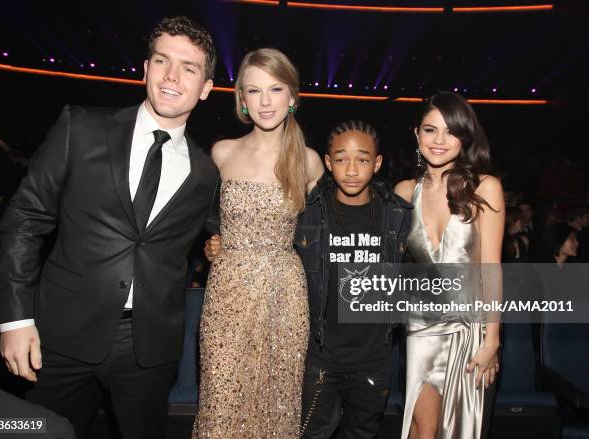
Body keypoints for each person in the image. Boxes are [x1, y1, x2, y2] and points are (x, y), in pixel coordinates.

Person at [0, 16, 219, 439]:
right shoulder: (80, 128)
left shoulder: (207, 172)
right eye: (162, 61)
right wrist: (14, 320)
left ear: (205, 87)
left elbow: (226, 234)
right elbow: (24, 220)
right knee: (33, 433)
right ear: (146, 68)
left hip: (149, 350)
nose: (172, 76)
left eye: (189, 68)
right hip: (58, 338)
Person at [191, 48, 323, 438]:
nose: (265, 102)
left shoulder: (310, 162)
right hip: (228, 289)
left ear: (293, 97)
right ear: (242, 100)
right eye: (254, 91)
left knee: (277, 398)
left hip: (285, 292)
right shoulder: (221, 153)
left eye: (275, 89)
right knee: (221, 392)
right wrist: (212, 242)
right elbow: (198, 217)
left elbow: (322, 238)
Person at [394, 92, 504, 439]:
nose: (439, 141)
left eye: (450, 131)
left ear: (465, 137)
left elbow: (491, 268)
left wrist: (492, 340)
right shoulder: (403, 192)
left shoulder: (485, 188)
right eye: (430, 130)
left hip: (469, 331)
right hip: (420, 328)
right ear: (416, 135)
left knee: (457, 430)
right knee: (422, 426)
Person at [297, 121, 411, 438]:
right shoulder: (307, 213)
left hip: (374, 358)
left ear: (377, 163)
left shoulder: (398, 215)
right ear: (328, 162)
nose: (351, 170)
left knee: (361, 433)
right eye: (341, 159)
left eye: (362, 159)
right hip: (320, 355)